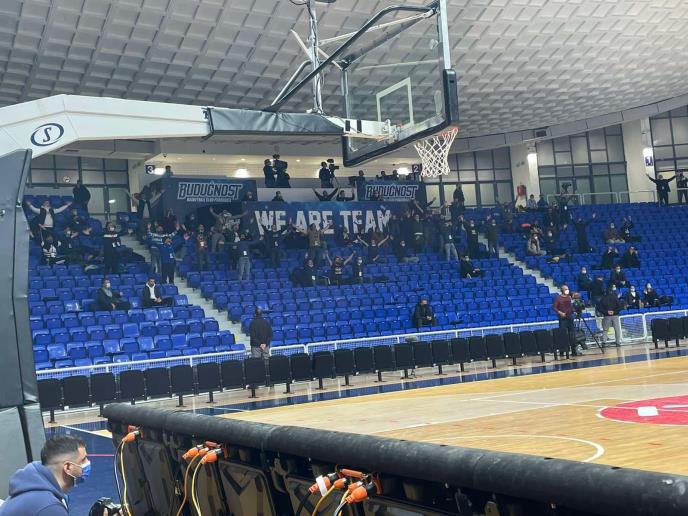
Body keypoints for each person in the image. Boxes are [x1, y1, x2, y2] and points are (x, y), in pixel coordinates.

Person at [0, 435, 111, 516]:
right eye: (83, 460)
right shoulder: (48, 506)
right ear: (68, 467)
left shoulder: (35, 486)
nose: (88, 463)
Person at [552, 285, 577, 355]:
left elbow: (571, 307)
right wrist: (560, 313)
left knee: (572, 334)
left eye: (567, 289)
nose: (567, 290)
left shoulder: (569, 297)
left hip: (570, 317)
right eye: (565, 289)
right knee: (562, 334)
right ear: (562, 290)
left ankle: (574, 350)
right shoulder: (558, 298)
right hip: (562, 318)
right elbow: (554, 307)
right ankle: (562, 351)